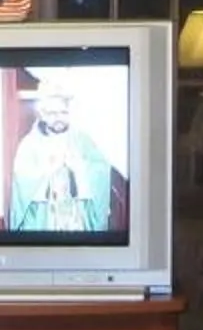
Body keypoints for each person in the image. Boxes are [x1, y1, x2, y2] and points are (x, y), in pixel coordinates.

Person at [9, 75, 120, 233]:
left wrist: (79, 168)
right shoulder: (29, 145)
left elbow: (101, 169)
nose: (58, 118)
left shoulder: (82, 140)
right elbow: (22, 180)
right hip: (43, 220)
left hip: (77, 220)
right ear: (42, 114)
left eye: (63, 112)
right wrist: (46, 170)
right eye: (52, 113)